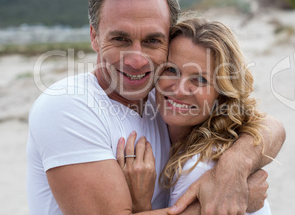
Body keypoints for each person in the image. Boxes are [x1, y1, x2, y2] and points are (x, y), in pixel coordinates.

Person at [27, 0, 285, 215]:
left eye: (152, 40)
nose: (137, 60)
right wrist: (222, 204)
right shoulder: (68, 106)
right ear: (95, 36)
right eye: (120, 39)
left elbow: (270, 126)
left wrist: (233, 169)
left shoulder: (160, 95)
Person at [117, 16, 274, 214]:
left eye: (200, 79)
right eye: (171, 69)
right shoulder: (152, 105)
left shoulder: (198, 167)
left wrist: (141, 204)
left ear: (222, 92)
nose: (179, 90)